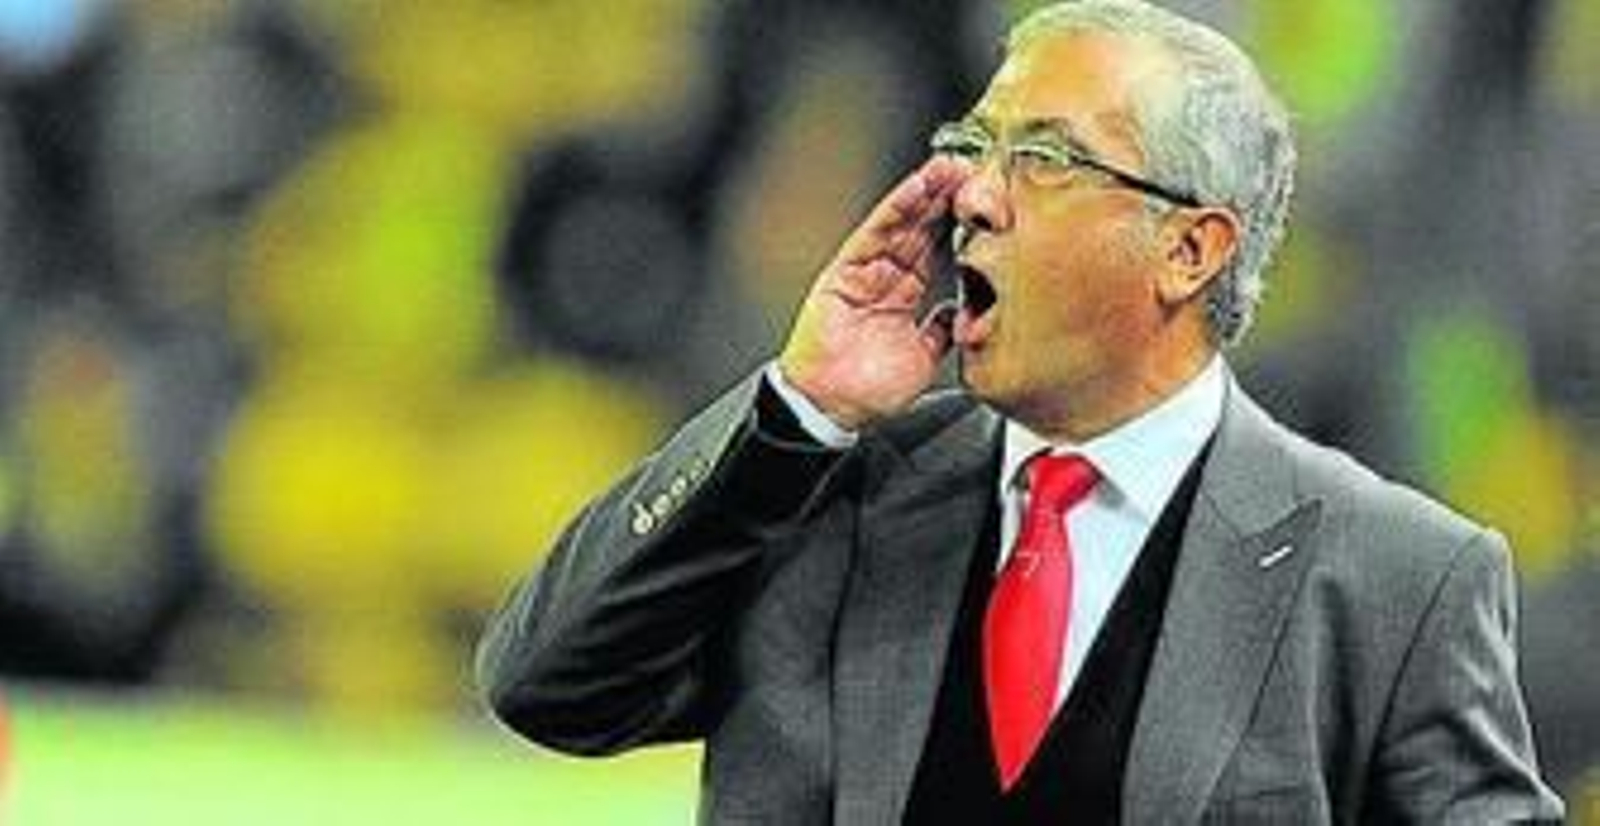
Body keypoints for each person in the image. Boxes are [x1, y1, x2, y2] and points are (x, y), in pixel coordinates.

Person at [475, 1, 1566, 822]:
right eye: (970, 145)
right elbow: (548, 688)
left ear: (1190, 249)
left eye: (1041, 158)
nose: (973, 195)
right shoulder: (823, 489)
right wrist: (799, 406)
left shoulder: (1399, 579)